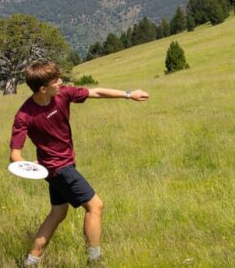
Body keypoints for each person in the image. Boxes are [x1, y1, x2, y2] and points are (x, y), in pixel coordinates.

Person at [10, 60, 150, 267]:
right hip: (59, 169)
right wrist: (30, 168)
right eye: (56, 80)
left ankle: (31, 261)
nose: (61, 82)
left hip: (60, 166)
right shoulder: (24, 115)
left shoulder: (62, 94)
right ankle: (94, 260)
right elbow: (15, 155)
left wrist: (129, 94)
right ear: (43, 88)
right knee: (95, 206)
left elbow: (96, 93)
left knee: (58, 213)